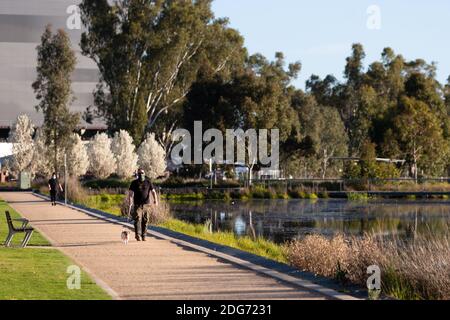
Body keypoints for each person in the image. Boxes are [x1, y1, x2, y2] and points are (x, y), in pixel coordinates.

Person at [127, 169, 158, 242]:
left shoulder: (148, 182)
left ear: (144, 173)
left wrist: (155, 200)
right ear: (137, 174)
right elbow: (131, 193)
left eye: (142, 173)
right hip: (137, 204)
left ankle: (144, 235)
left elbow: (153, 191)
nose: (141, 174)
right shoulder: (134, 183)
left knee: (146, 220)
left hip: (146, 204)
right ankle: (138, 235)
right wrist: (130, 201)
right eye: (139, 173)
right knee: (137, 219)